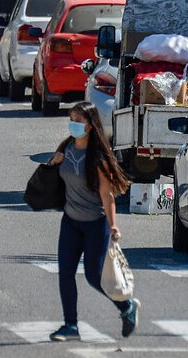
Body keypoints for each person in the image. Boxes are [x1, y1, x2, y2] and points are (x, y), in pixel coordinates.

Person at [47, 102, 141, 342]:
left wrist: (113, 225)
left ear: (90, 125)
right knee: (65, 274)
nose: (74, 124)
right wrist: (53, 162)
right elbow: (51, 178)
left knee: (94, 276)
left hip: (94, 224)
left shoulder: (97, 157)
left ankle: (127, 307)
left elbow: (107, 194)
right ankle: (70, 325)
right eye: (72, 119)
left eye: (79, 120)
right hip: (70, 222)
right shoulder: (66, 148)